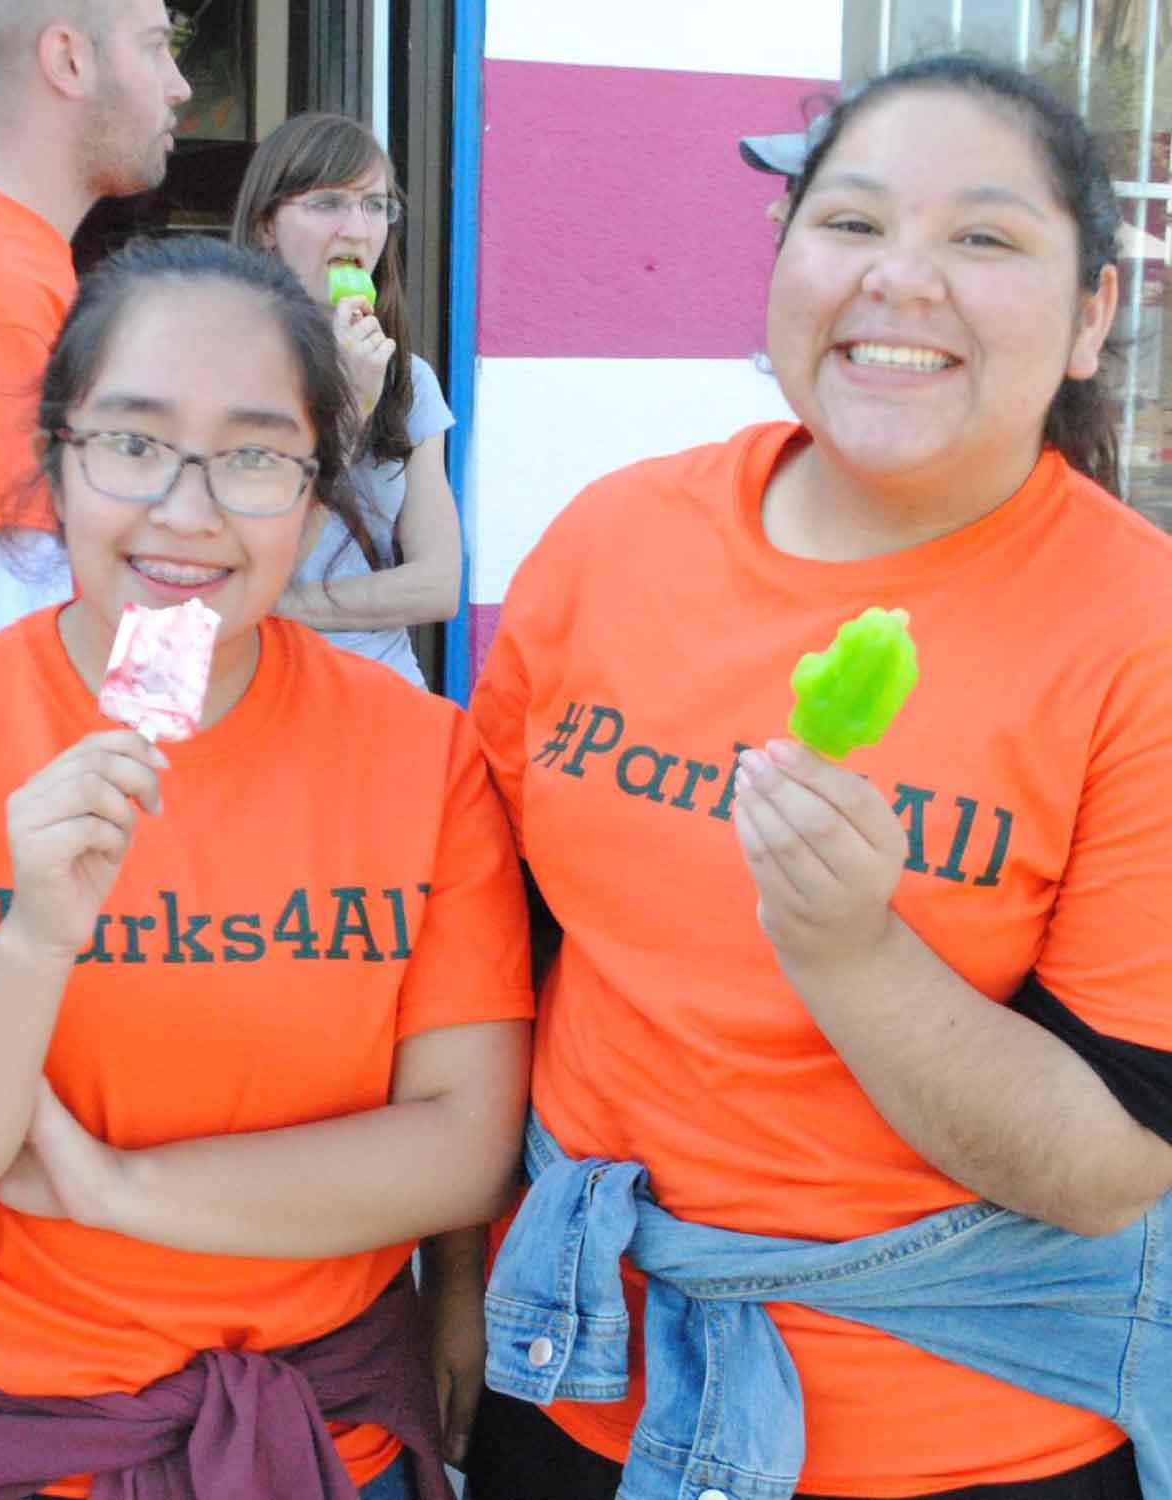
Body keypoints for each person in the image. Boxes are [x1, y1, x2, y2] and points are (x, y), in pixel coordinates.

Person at [464, 54, 1172, 1500]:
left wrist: (849, 952)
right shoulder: (613, 541)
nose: (901, 279)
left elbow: (1110, 1167)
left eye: (985, 237)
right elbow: (495, 955)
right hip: (573, 1380)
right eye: (848, 223)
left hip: (956, 1439)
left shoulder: (1140, 641)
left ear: (1095, 314)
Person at [0, 235, 532, 1498]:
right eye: (130, 441)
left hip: (332, 1441)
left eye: (255, 455)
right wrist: (30, 939)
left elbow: (463, 1148)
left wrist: (111, 1186)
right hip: (21, 1435)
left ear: (319, 488)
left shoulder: (422, 756)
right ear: (57, 460)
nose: (187, 510)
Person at [0, 0, 192, 644]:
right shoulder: (5, 294)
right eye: (155, 47)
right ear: (68, 59)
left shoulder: (13, 268)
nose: (180, 85)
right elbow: (8, 635)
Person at [231, 112, 461, 690]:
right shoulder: (215, 371)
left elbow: (438, 584)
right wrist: (349, 404)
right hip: (257, 688)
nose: (357, 231)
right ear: (265, 225)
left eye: (376, 205)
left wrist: (279, 605)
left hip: (381, 691)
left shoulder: (409, 381)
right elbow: (248, 554)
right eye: (328, 203)